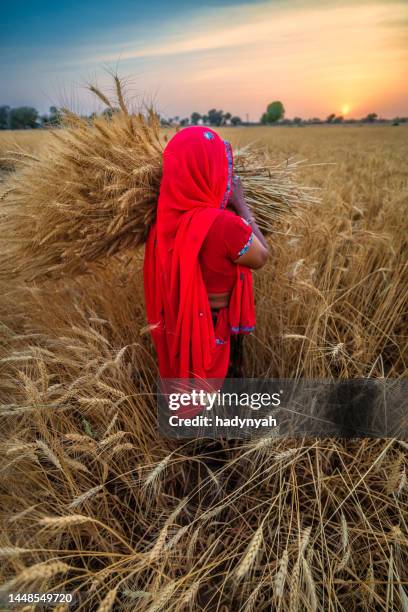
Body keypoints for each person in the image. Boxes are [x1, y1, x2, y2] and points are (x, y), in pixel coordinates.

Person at [143, 126, 268, 414]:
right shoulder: (226, 225)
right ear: (210, 170)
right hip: (217, 330)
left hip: (177, 328)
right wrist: (242, 203)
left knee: (192, 399)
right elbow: (261, 256)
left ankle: (190, 445)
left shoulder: (160, 224)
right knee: (220, 404)